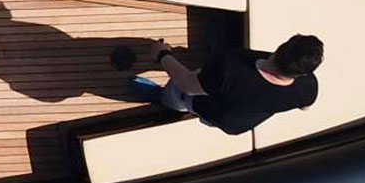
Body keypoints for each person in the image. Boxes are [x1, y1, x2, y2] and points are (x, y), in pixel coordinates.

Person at [135, 34, 323, 135]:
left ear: (281, 47)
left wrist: (162, 54)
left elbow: (186, 84)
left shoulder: (230, 67)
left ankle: (163, 98)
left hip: (211, 109)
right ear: (304, 73)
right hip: (236, 123)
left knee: (179, 95)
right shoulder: (308, 89)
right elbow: (305, 106)